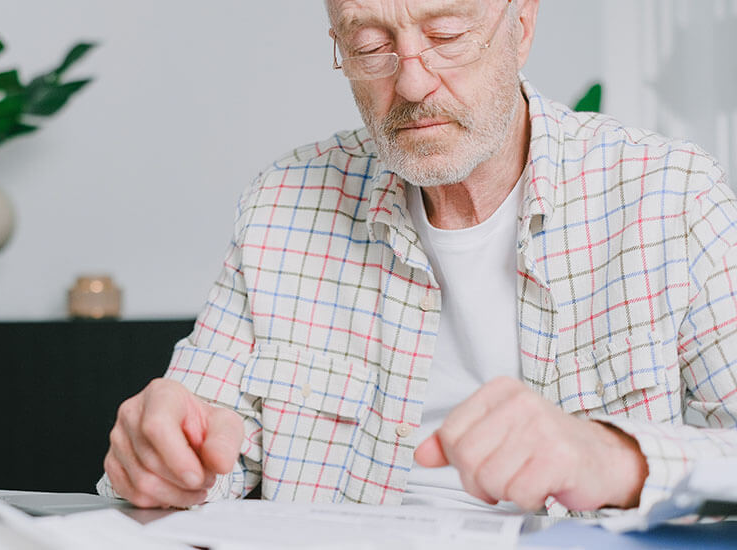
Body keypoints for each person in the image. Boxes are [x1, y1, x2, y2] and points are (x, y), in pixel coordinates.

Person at [99, 0, 737, 516]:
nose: (410, 80)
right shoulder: (282, 203)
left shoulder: (671, 194)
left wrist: (616, 460)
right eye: (370, 46)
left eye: (448, 33)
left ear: (521, 23)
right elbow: (204, 448)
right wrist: (161, 460)